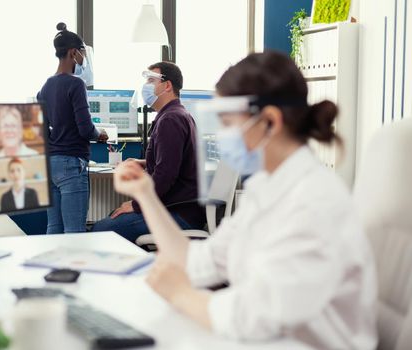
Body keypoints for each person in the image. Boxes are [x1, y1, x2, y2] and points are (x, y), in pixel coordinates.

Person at [112, 52, 377, 349]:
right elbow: (199, 261)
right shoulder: (266, 187)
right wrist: (145, 195)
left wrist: (181, 294)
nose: (222, 135)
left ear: (270, 122)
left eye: (227, 122)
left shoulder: (315, 201)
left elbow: (255, 316)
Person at [92, 62, 206, 242]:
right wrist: (143, 162)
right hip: (181, 209)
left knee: (101, 231)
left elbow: (166, 174)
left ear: (167, 85)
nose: (146, 86)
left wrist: (137, 205)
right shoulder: (178, 114)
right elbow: (173, 159)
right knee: (113, 217)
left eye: (151, 81)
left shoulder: (170, 120)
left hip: (178, 214)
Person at [37, 23, 108, 234]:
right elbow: (85, 128)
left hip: (50, 164)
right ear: (73, 53)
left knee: (54, 227)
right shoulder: (76, 85)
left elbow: (43, 130)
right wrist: (100, 135)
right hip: (71, 163)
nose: (82, 60)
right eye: (82, 55)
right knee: (74, 231)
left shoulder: (45, 86)